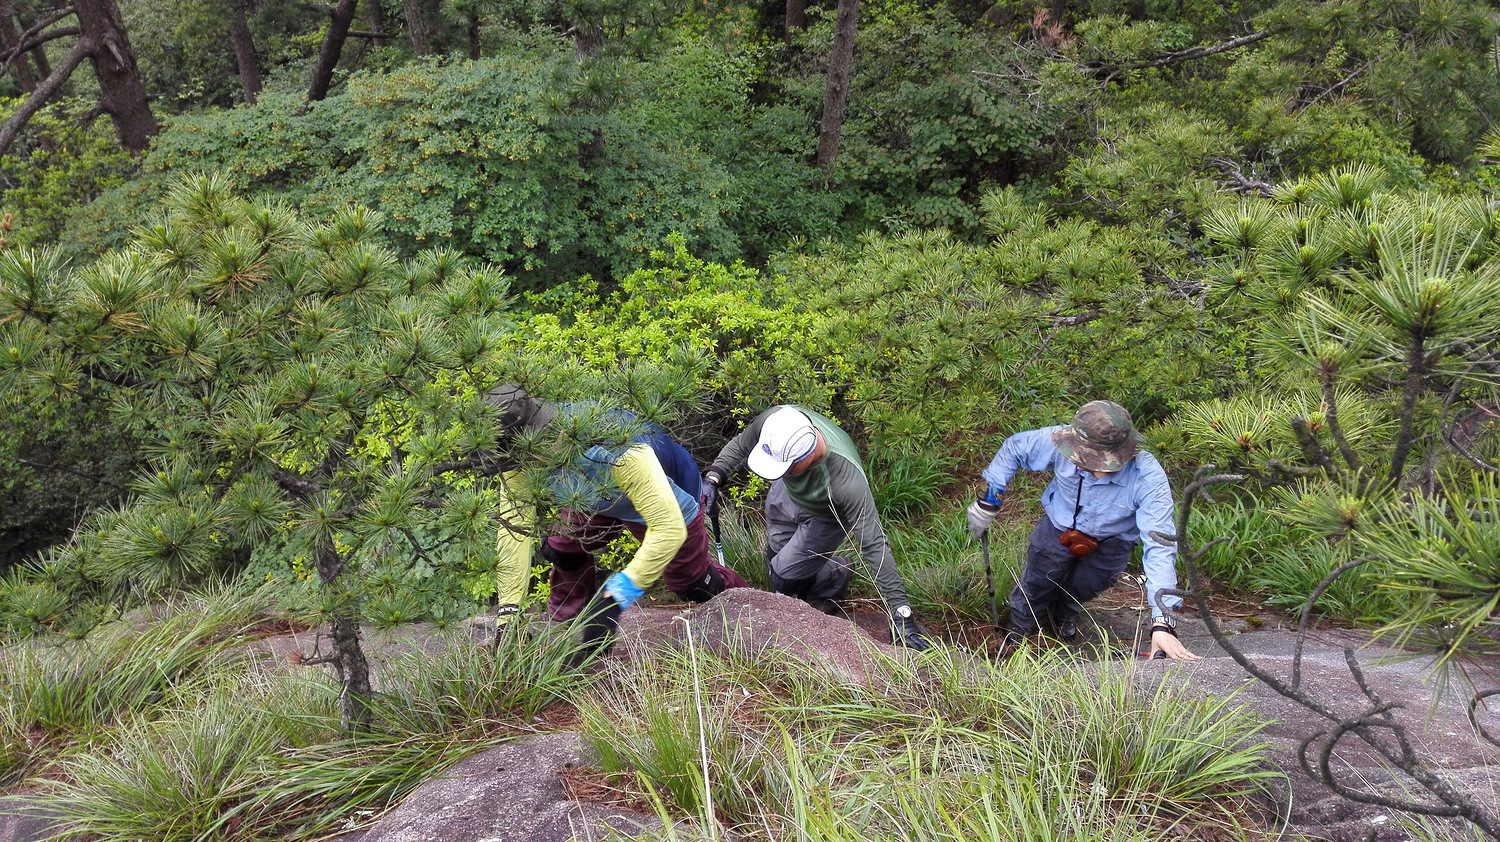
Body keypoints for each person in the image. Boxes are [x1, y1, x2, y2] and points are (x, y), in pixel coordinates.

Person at [487, 386, 751, 650]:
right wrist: (509, 614)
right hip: (591, 497)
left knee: (694, 586)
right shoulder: (518, 457)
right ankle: (566, 625)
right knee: (560, 549)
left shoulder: (617, 445)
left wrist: (617, 596)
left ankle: (752, 609)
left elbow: (669, 528)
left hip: (666, 499)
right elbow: (514, 530)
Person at [965, 400, 1198, 660]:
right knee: (1037, 582)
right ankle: (1017, 631)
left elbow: (1160, 545)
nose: (1086, 466)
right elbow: (1015, 448)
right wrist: (991, 500)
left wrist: (1162, 622)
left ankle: (1062, 617)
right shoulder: (1061, 441)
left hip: (1113, 540)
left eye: (1098, 462)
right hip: (1057, 527)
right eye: (1083, 459)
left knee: (1084, 586)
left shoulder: (1147, 477)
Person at [702, 405, 934, 651]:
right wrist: (714, 476)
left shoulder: (847, 483)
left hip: (826, 513)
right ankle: (820, 577)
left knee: (782, 576)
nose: (779, 472)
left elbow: (874, 545)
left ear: (807, 455)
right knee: (775, 558)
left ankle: (834, 577)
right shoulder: (779, 420)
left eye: (787, 467)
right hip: (787, 494)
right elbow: (741, 443)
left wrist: (902, 617)